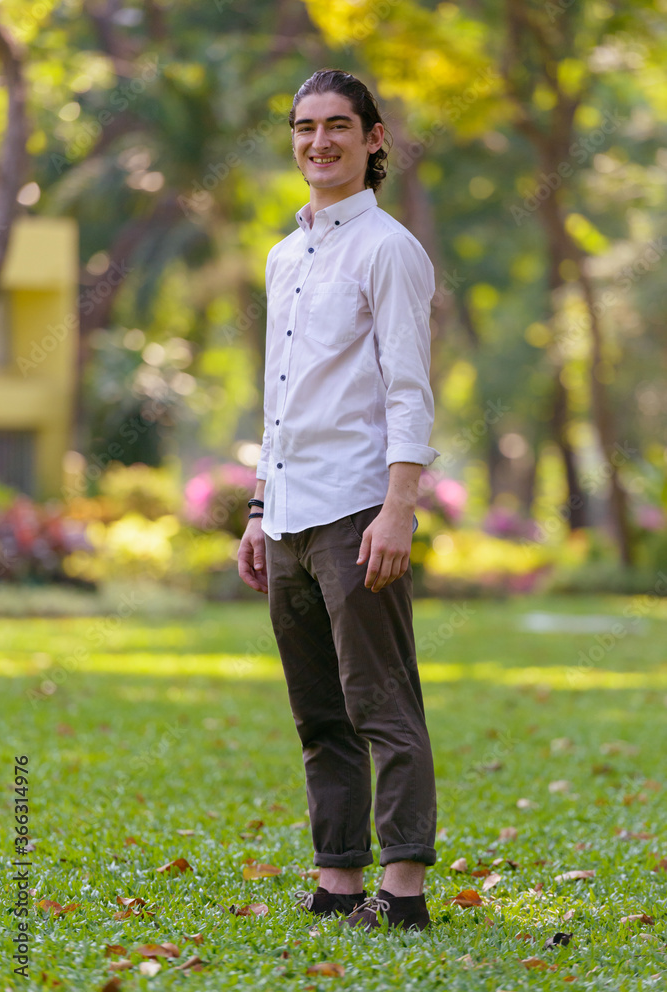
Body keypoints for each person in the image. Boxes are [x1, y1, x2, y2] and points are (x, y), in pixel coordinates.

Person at [237, 68, 439, 931]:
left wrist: (399, 507)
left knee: (381, 703)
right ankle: (338, 880)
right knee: (320, 712)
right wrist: (255, 507)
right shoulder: (286, 254)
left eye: (337, 126)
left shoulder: (388, 248)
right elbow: (281, 396)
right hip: (287, 512)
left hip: (357, 508)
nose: (318, 142)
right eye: (304, 127)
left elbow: (408, 388)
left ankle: (404, 892)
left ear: (374, 138)